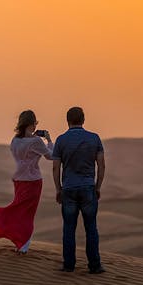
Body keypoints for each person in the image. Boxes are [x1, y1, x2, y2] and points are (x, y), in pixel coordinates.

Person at [0, 110, 54, 253]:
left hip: (18, 181)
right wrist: (49, 140)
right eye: (35, 123)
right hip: (33, 181)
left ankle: (20, 242)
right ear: (32, 124)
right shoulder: (36, 141)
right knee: (27, 214)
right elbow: (51, 156)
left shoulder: (15, 141)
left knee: (18, 209)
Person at [52, 106, 106, 274]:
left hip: (68, 188)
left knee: (69, 228)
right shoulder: (94, 138)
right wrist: (98, 187)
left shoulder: (61, 140)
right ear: (83, 120)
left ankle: (69, 265)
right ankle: (95, 266)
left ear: (67, 121)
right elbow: (102, 165)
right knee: (91, 228)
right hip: (88, 187)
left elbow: (55, 168)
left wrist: (58, 189)